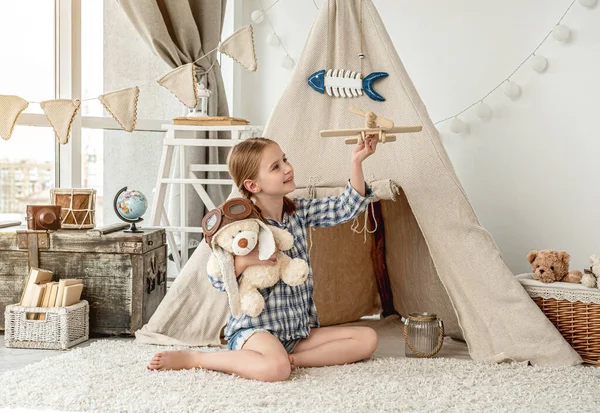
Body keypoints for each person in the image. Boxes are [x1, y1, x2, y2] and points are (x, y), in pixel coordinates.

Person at [148, 135, 379, 382]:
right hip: (255, 332)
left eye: (285, 160)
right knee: (275, 371)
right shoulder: (240, 226)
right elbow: (217, 279)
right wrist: (246, 261)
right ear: (253, 185)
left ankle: (293, 360)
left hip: (296, 332)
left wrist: (357, 162)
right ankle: (197, 359)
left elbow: (346, 207)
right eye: (276, 167)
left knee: (368, 339)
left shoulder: (297, 212)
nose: (288, 168)